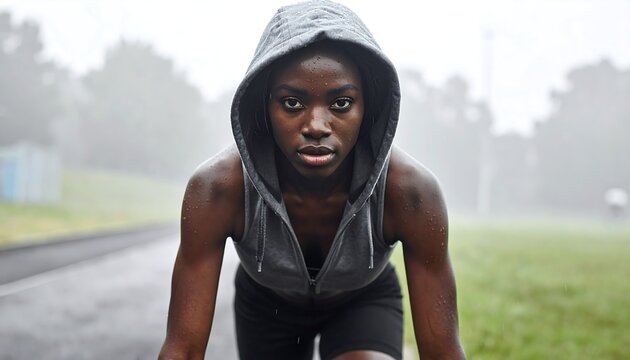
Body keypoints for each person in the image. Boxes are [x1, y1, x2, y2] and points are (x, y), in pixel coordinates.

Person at [159, 1, 465, 359]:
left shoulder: (411, 193)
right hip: (265, 306)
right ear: (263, 106)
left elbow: (444, 353)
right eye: (291, 103)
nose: (316, 126)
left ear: (368, 108)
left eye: (341, 104)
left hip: (362, 300)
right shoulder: (217, 190)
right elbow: (182, 349)